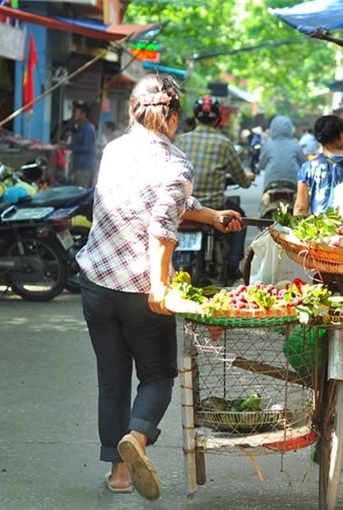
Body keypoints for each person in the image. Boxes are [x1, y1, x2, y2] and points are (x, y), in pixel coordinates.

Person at [76, 73, 243, 501]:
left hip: (96, 279)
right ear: (172, 117)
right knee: (157, 374)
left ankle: (119, 475)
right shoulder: (175, 162)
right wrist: (159, 284)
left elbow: (159, 200)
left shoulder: (113, 149)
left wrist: (211, 215)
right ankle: (137, 436)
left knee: (112, 379)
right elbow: (162, 226)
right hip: (139, 288)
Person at [175, 95, 254, 281]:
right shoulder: (225, 143)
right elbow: (241, 178)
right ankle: (234, 263)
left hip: (183, 206)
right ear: (218, 119)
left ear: (195, 117)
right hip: (215, 207)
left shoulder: (179, 140)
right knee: (239, 217)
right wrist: (247, 180)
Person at [258, 115, 305, 189]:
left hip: (270, 182)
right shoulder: (296, 145)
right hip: (293, 182)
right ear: (290, 129)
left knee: (265, 199)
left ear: (272, 129)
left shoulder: (267, 146)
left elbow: (261, 165)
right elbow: (303, 163)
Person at [69, 102, 97, 187]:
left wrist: (71, 147)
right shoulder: (80, 127)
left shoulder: (87, 129)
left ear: (83, 115)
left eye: (76, 113)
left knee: (81, 192)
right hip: (78, 165)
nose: (74, 115)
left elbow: (88, 148)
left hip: (84, 166)